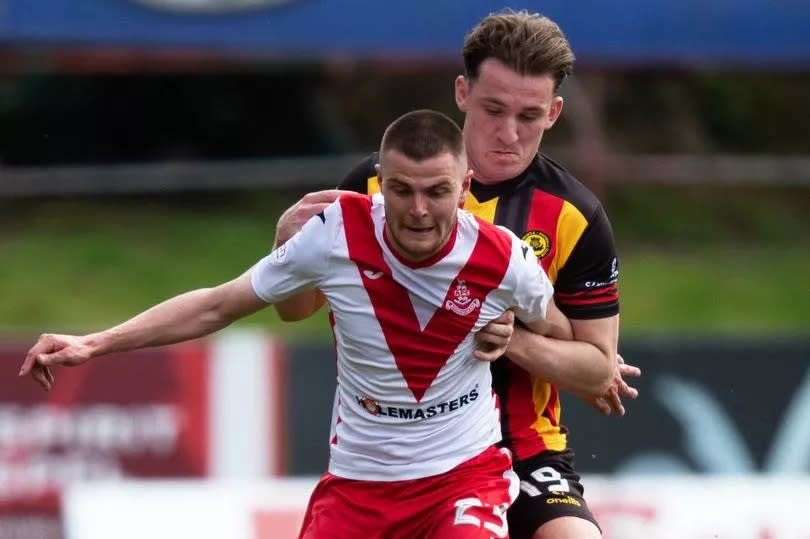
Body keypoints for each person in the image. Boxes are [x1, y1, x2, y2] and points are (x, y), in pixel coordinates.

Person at [19, 110, 611, 538]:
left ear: (464, 187)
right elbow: (218, 304)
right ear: (383, 184)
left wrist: (519, 338)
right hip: (357, 486)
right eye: (402, 190)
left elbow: (560, 331)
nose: (419, 210)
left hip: (463, 478)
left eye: (437, 192)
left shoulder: (504, 256)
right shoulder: (335, 235)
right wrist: (93, 342)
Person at [272, 10, 641, 539]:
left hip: (524, 450)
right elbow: (297, 309)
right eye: (494, 109)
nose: (509, 133)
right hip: (396, 457)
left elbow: (596, 371)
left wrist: (510, 339)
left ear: (555, 112)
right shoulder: (381, 184)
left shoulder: (573, 215)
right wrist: (286, 246)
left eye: (529, 115)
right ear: (462, 93)